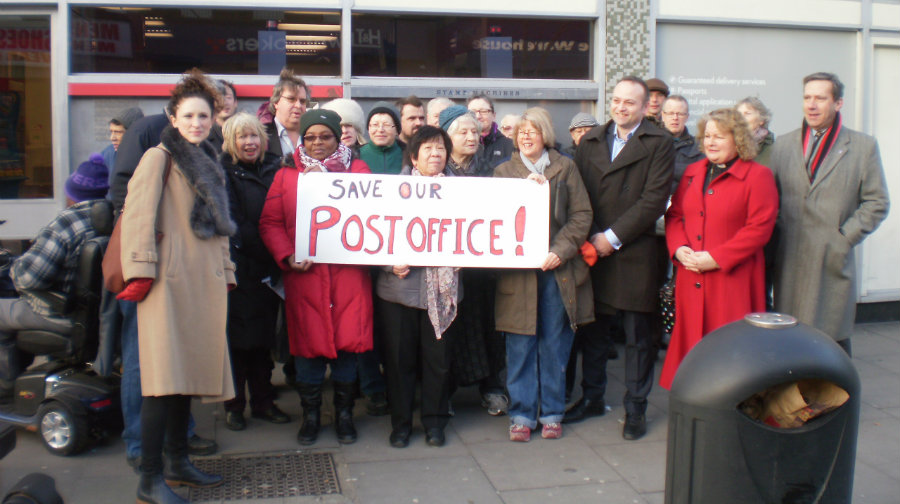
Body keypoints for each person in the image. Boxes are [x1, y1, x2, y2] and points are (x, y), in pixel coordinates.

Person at [117, 69, 234, 504]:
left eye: (204, 116)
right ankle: (149, 478)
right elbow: (136, 219)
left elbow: (220, 230)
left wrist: (228, 271)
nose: (197, 123)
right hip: (166, 286)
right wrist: (142, 272)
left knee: (183, 382)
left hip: (200, 284)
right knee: (161, 385)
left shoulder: (208, 158)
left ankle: (178, 462)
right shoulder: (158, 158)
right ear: (173, 116)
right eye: (189, 115)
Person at [259, 109, 374, 446]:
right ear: (302, 139)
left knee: (348, 349)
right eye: (311, 137)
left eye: (325, 136)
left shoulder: (359, 171)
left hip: (349, 277)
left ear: (338, 138)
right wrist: (287, 255)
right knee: (308, 351)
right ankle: (310, 415)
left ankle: (343, 414)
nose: (318, 143)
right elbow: (270, 222)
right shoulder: (287, 176)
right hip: (306, 277)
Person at [569, 76, 674, 440]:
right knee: (593, 332)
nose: (621, 107)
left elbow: (654, 199)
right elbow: (577, 190)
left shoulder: (660, 142)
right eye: (616, 100)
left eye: (630, 102)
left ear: (645, 108)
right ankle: (592, 397)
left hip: (635, 250)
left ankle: (636, 408)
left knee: (638, 337)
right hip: (593, 248)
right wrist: (592, 235)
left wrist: (610, 239)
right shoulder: (593, 139)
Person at [770, 72, 889, 355]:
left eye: (820, 98)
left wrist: (843, 238)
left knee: (831, 342)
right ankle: (790, 398)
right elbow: (769, 200)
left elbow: (877, 201)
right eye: (807, 97)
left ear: (838, 103)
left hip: (830, 260)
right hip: (789, 259)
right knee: (788, 339)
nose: (811, 105)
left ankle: (837, 398)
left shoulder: (862, 146)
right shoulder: (783, 146)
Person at [659, 108, 779, 389]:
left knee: (730, 353)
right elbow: (675, 215)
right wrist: (678, 248)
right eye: (707, 136)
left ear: (737, 139)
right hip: (691, 276)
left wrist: (717, 258)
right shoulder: (692, 172)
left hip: (732, 281)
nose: (710, 142)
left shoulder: (757, 176)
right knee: (692, 352)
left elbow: (760, 228)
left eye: (719, 137)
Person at [495, 108, 593, 442]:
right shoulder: (504, 172)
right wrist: (524, 191)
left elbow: (581, 216)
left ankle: (552, 412)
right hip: (518, 275)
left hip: (557, 271)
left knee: (555, 343)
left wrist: (559, 251)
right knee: (520, 343)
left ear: (545, 135)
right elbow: (494, 219)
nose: (526, 137)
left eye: (533, 131)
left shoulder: (566, 167)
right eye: (522, 131)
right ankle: (522, 414)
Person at [375, 125, 461, 449]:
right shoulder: (392, 191)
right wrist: (387, 263)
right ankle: (400, 424)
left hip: (443, 293)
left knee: (438, 362)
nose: (435, 154)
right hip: (398, 292)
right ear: (414, 156)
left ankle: (435, 423)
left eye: (440, 149)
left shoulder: (465, 192)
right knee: (399, 363)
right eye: (427, 149)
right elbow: (370, 235)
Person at [0, 154, 109, 399]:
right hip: (96, 316)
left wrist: (12, 266)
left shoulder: (68, 223)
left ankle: (5, 386)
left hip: (58, 312)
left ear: (71, 194)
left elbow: (28, 278)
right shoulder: (111, 217)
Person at [219, 112, 289, 431]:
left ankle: (264, 401)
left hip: (268, 269)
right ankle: (235, 405)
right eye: (241, 137)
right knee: (237, 342)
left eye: (253, 136)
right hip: (239, 269)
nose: (249, 143)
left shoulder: (277, 166)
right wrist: (272, 247)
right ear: (231, 142)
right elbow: (234, 223)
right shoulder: (224, 171)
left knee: (262, 341)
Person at [320, 98, 388, 416]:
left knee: (368, 328)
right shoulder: (318, 164)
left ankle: (371, 386)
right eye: (339, 126)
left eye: (349, 125)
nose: (344, 130)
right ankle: (359, 387)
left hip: (374, 257)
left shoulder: (362, 161)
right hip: (337, 260)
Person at [438, 105, 506, 415]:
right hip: (445, 269)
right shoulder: (434, 172)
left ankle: (492, 388)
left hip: (482, 270)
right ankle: (445, 393)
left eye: (474, 131)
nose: (470, 137)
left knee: (487, 327)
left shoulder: (493, 170)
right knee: (449, 330)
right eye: (462, 132)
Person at [263, 68, 310, 165]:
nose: (298, 105)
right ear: (276, 102)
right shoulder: (261, 135)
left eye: (302, 101)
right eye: (291, 99)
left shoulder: (313, 135)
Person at [661, 95, 704, 191]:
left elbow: (699, 175)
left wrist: (663, 168)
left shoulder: (698, 146)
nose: (675, 118)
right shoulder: (651, 143)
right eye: (671, 113)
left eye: (680, 114)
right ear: (663, 116)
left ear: (687, 117)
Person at [467, 94, 513, 167]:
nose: (478, 116)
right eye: (473, 112)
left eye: (483, 111)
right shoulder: (460, 144)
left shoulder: (509, 146)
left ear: (494, 115)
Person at [359, 102, 403, 174]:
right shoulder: (356, 155)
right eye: (375, 125)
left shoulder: (408, 156)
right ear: (369, 128)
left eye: (386, 125)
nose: (380, 130)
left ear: (396, 130)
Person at [101, 107, 144, 177]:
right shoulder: (107, 154)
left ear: (133, 133)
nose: (112, 138)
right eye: (111, 132)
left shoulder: (149, 155)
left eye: (118, 132)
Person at [735, 97, 775, 167]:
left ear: (761, 120)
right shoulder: (730, 148)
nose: (741, 118)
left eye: (747, 113)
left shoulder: (774, 150)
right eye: (738, 114)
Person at [207, 79, 238, 152]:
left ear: (235, 102)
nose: (225, 102)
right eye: (219, 98)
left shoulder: (245, 132)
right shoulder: (205, 135)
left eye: (228, 98)